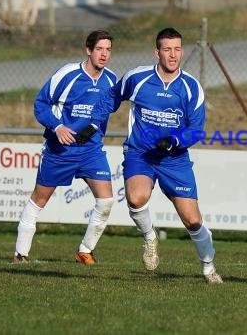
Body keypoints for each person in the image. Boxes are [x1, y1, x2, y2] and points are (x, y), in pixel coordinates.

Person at [81, 27, 223, 284]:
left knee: (192, 221)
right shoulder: (137, 78)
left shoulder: (191, 87)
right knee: (136, 198)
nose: (173, 55)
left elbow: (196, 130)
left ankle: (209, 267)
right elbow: (111, 97)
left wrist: (176, 140)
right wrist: (94, 123)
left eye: (177, 49)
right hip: (141, 153)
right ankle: (150, 237)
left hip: (174, 158)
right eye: (167, 49)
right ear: (157, 52)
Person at [12, 30, 116, 265]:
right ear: (88, 50)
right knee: (39, 200)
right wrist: (57, 127)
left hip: (91, 151)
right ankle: (20, 254)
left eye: (108, 50)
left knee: (106, 200)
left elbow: (110, 107)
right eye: (99, 49)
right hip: (61, 151)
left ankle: (85, 251)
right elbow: (40, 104)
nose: (104, 54)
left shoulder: (110, 80)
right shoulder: (67, 74)